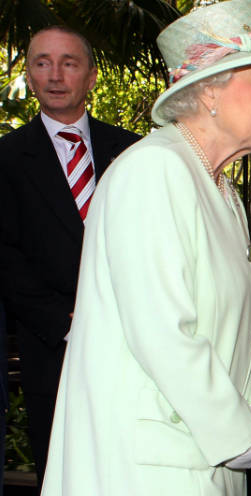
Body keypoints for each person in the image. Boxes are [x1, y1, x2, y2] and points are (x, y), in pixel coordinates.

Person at [40, 0, 251, 495]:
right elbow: (162, 332)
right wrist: (238, 431)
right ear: (209, 90)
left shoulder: (219, 188)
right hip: (148, 465)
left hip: (205, 454)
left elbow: (244, 322)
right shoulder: (154, 171)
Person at [0, 26, 140, 488]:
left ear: (92, 76)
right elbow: (5, 255)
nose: (55, 75)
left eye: (69, 63)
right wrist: (68, 321)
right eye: (42, 62)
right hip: (52, 349)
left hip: (134, 344)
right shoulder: (7, 158)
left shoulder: (135, 152)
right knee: (65, 475)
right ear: (30, 73)